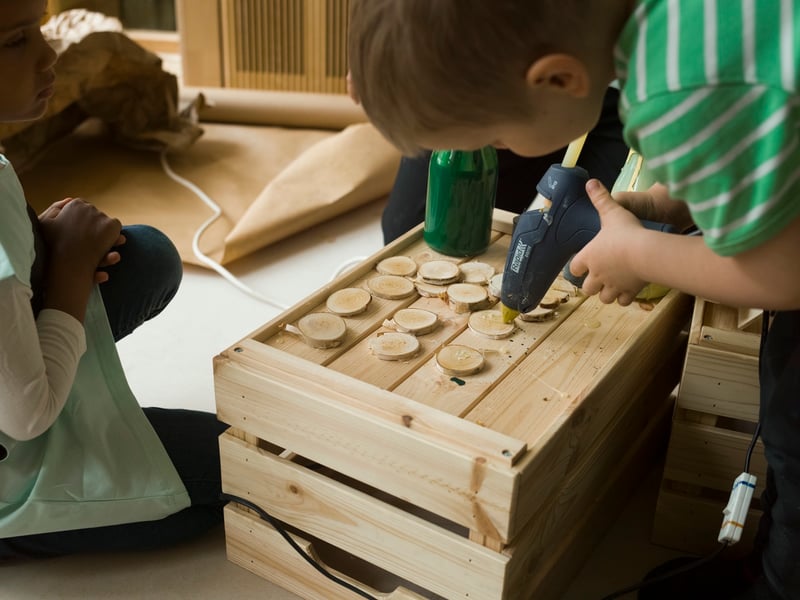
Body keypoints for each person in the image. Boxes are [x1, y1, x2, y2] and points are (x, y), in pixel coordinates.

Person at [347, 2, 800, 599]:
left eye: (499, 137)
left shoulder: (674, 94)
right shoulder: (681, 35)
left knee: (794, 421)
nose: (504, 150)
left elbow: (783, 273)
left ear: (559, 79)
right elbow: (764, 139)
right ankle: (769, 560)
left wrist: (638, 255)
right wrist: (677, 204)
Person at [0, 0, 226, 558]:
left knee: (145, 255)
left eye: (40, 30)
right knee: (238, 463)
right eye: (15, 41)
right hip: (14, 455)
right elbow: (26, 416)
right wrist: (71, 267)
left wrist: (36, 249)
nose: (50, 53)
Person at [381, 89, 629, 244]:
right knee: (410, 232)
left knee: (591, 242)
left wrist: (642, 253)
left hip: (603, 98)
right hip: (481, 76)